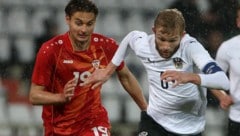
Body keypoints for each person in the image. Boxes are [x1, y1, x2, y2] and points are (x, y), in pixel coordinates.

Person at [82, 8, 230, 136]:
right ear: (154, 31)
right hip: (155, 121)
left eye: (172, 41)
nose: (166, 46)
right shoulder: (144, 44)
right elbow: (130, 38)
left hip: (189, 128)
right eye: (162, 39)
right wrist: (108, 71)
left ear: (183, 35)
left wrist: (190, 77)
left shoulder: (192, 47)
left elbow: (223, 81)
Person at [29, 0, 147, 135]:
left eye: (89, 24)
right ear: (68, 20)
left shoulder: (106, 46)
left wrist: (146, 110)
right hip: (58, 127)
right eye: (78, 23)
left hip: (93, 121)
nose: (84, 30)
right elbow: (34, 96)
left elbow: (125, 77)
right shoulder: (51, 50)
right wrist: (61, 97)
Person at [210, 5, 240, 136]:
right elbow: (212, 79)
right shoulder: (228, 47)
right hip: (237, 119)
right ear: (238, 22)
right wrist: (222, 96)